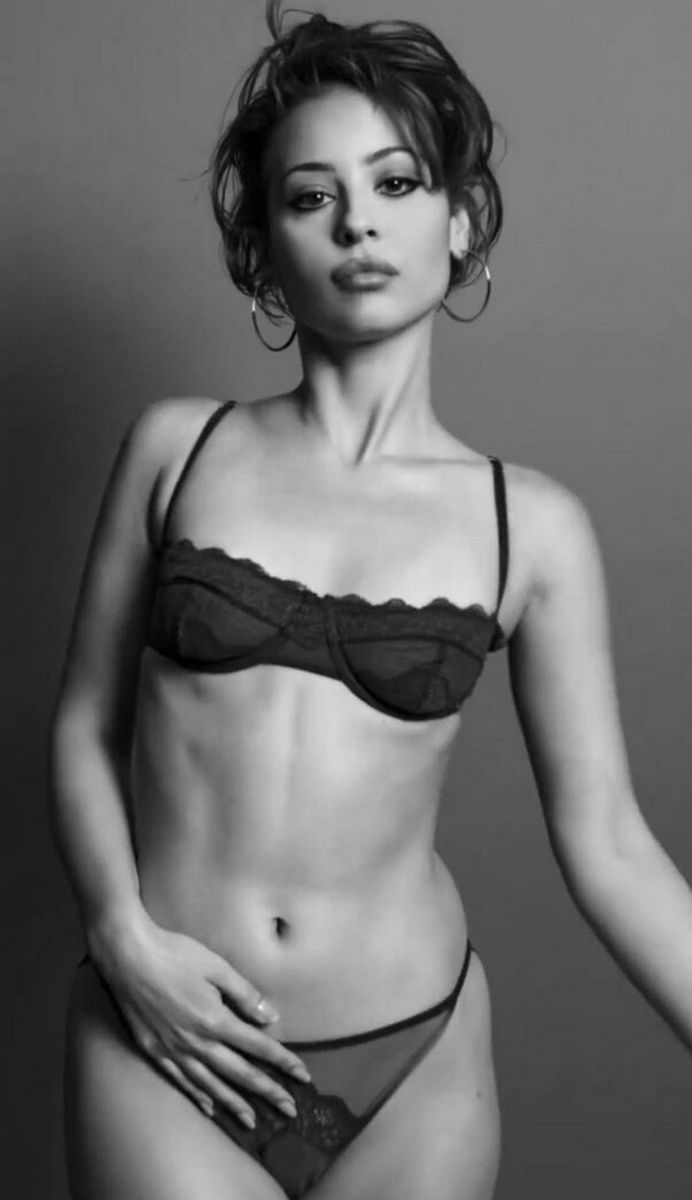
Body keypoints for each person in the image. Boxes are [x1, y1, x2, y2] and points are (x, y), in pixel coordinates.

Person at [50, 3, 692, 1198]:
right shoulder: (176, 451)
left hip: (416, 1059)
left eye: (395, 183)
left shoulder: (528, 525)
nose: (356, 222)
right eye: (311, 196)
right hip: (167, 1037)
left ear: (459, 222)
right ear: (265, 250)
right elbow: (86, 728)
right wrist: (120, 936)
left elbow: (608, 842)